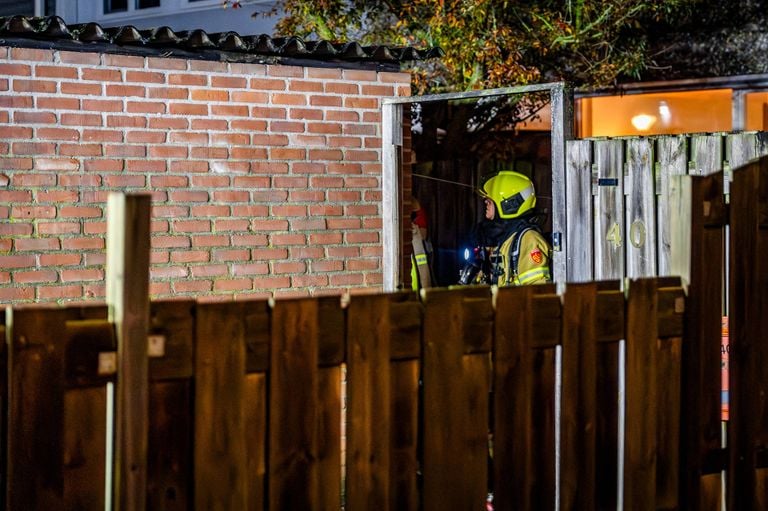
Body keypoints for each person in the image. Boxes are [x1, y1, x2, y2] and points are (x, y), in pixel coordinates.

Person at [460, 170, 551, 286]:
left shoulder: (528, 240)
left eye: (489, 201)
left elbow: (536, 292)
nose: (485, 203)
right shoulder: (503, 239)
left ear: (510, 204)